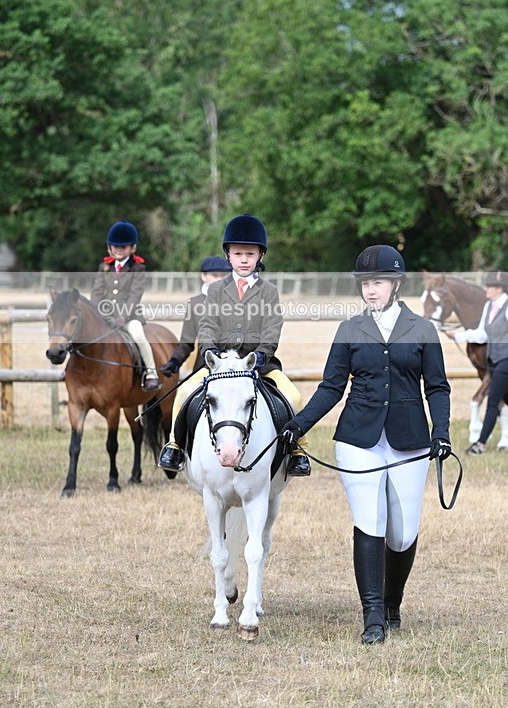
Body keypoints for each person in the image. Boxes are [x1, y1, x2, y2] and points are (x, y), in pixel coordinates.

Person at [281, 245, 451, 645]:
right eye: (365, 284)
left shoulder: (423, 329)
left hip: (410, 440)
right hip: (358, 438)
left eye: (378, 283)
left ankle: (393, 603)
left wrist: (440, 432)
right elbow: (331, 388)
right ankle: (372, 616)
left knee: (402, 534)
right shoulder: (350, 330)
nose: (370, 290)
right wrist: (297, 424)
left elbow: (438, 388)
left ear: (396, 284)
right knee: (369, 522)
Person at [158, 213, 311, 477]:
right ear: (228, 255)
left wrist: (262, 354)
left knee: (293, 396)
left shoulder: (269, 291)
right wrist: (209, 351)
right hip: (219, 365)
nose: (243, 259)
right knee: (183, 394)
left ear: (260, 256)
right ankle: (175, 446)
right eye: (238, 253)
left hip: (258, 365)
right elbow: (206, 326)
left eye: (249, 254)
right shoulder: (216, 291)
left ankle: (298, 450)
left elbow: (272, 328)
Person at [90, 220, 160, 390]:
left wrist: (123, 316)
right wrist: (96, 313)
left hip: (128, 317)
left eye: (123, 247)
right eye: (115, 246)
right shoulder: (105, 267)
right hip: (105, 316)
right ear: (109, 247)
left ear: (132, 247)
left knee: (138, 335)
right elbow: (97, 293)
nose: (118, 250)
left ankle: (151, 373)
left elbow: (135, 295)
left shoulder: (137, 268)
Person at [446, 271, 508, 455]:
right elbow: (482, 334)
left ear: (498, 289)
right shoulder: (489, 306)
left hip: (506, 361)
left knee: (493, 401)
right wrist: (458, 335)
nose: (486, 289)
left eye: (489, 286)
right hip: (494, 361)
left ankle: (479, 444)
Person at [159, 256, 232, 377]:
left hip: (236, 368)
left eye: (223, 275)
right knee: (183, 394)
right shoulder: (194, 303)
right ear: (203, 276)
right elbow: (187, 343)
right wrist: (175, 362)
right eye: (215, 275)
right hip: (204, 369)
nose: (219, 279)